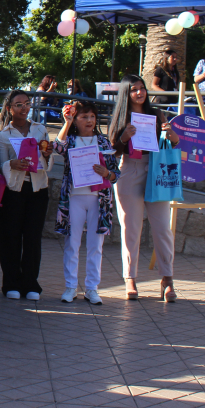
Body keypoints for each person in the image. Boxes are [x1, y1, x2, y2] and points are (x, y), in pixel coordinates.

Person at [108, 74, 181, 302]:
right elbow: (113, 150)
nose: (140, 92)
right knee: (131, 228)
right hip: (130, 170)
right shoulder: (121, 117)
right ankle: (130, 278)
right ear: (126, 93)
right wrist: (123, 137)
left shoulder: (156, 114)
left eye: (142, 88)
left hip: (156, 170)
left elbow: (175, 143)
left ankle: (167, 279)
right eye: (134, 89)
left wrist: (171, 134)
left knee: (162, 228)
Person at [53, 101, 120, 305]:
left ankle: (92, 288)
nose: (89, 120)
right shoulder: (71, 139)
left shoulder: (103, 142)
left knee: (95, 245)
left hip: (98, 200)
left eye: (92, 116)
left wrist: (106, 173)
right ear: (76, 119)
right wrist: (67, 122)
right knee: (72, 243)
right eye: (84, 117)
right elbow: (57, 146)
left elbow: (116, 174)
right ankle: (71, 287)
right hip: (74, 197)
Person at [0, 90, 54, 300]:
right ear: (10, 108)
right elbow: (2, 167)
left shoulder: (40, 129)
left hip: (37, 189)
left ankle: (31, 283)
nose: (24, 108)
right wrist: (12, 164)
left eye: (27, 104)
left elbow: (47, 163)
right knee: (10, 237)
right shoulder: (5, 135)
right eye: (18, 104)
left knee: (32, 238)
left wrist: (47, 155)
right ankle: (10, 282)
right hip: (13, 191)